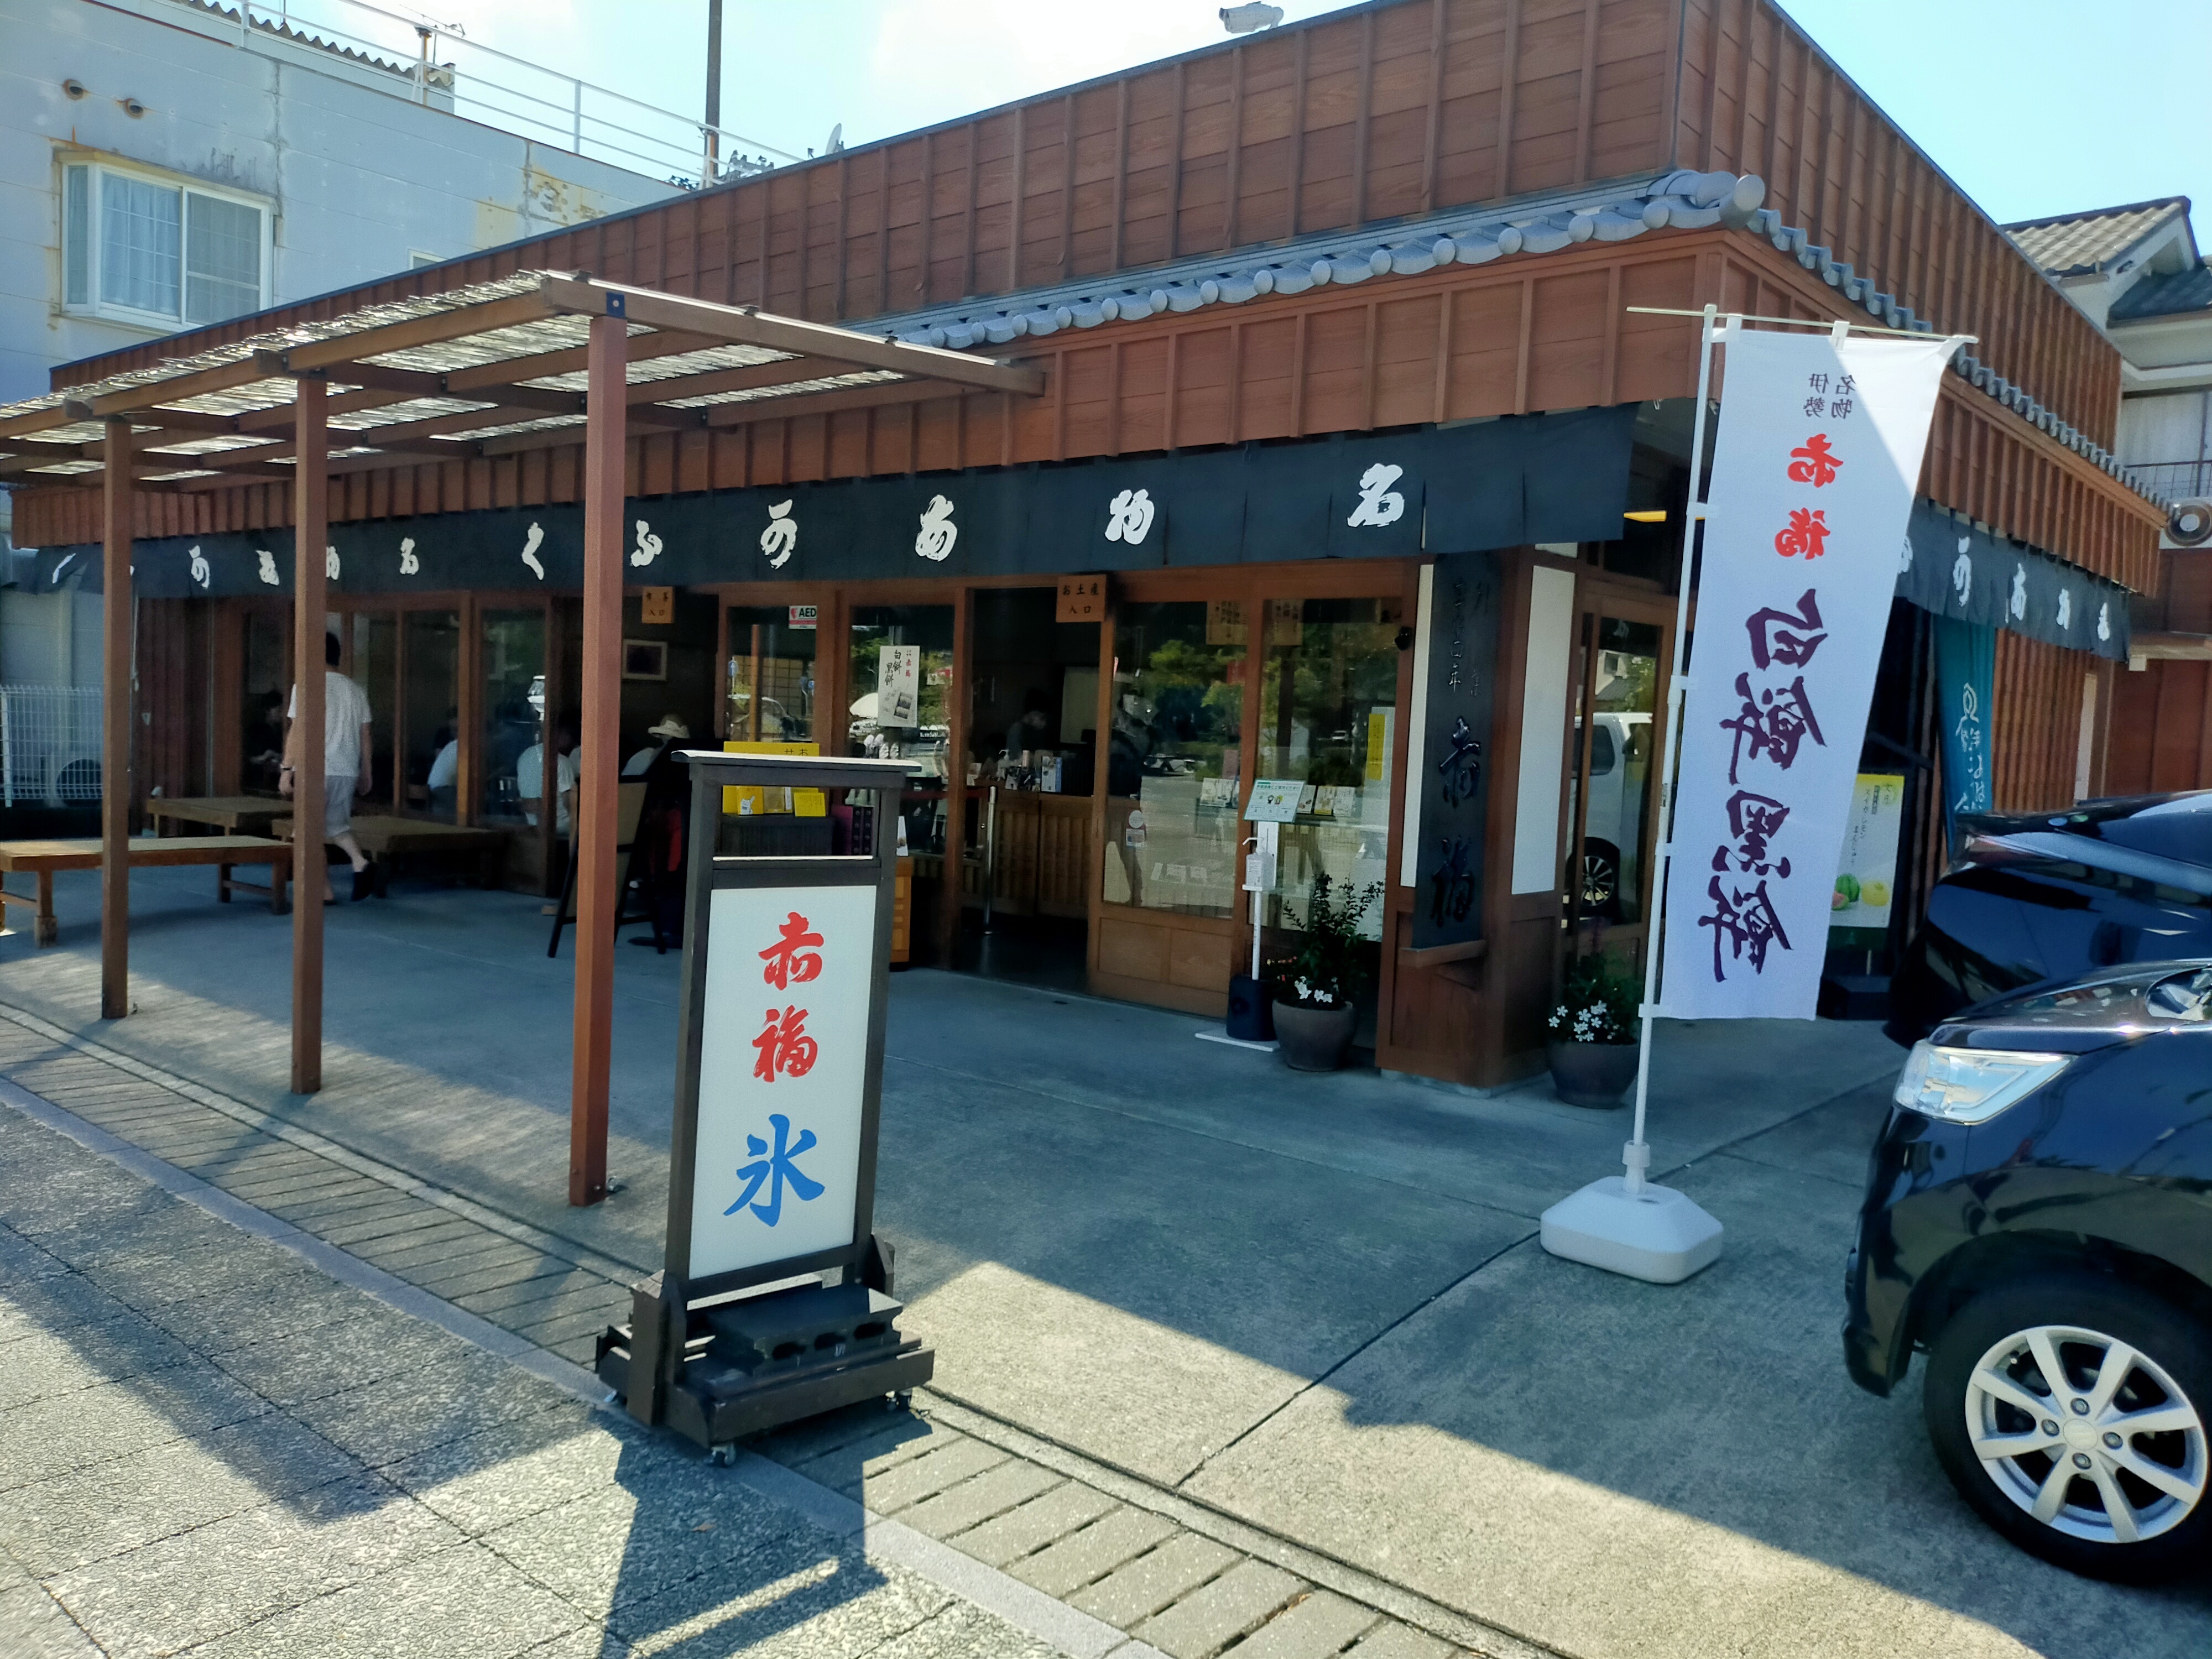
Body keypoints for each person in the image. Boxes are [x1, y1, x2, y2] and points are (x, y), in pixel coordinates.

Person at [281, 632, 376, 902]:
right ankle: (360, 863)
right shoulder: (355, 690)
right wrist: (366, 772)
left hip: (315, 769)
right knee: (335, 826)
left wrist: (286, 769)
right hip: (346, 769)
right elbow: (365, 734)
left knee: (307, 832)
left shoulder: (306, 685)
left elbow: (297, 731)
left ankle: (323, 892)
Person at [517, 716, 580, 834]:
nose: (572, 745)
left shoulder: (526, 755)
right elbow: (570, 804)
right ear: (564, 736)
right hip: (560, 829)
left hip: (533, 826)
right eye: (572, 740)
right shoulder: (561, 762)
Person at [624, 714, 690, 777]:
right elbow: (628, 781)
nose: (672, 741)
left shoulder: (689, 760)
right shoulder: (645, 756)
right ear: (661, 736)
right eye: (666, 735)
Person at [1004, 689, 1051, 764]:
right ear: (1033, 714)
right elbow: (1014, 760)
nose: (1044, 723)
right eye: (1042, 718)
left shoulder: (1040, 732)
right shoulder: (1016, 730)